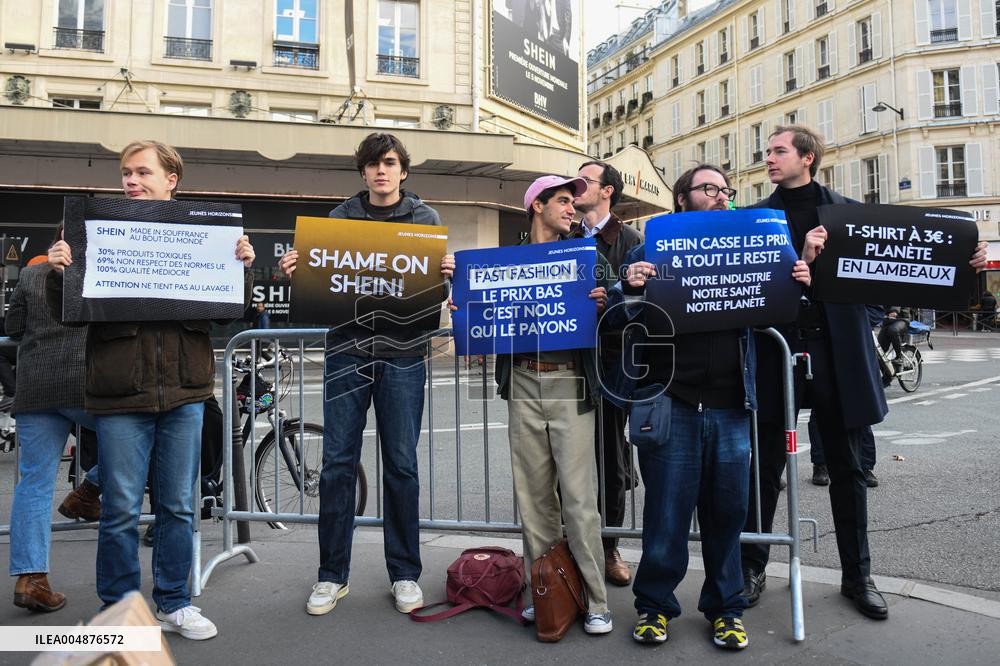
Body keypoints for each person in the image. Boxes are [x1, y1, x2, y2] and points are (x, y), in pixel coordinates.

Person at [741, 125, 987, 620]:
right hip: (776, 351)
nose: (768, 158)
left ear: (807, 157)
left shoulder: (852, 216)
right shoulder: (753, 219)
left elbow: (901, 272)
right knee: (763, 468)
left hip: (837, 353)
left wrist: (969, 266)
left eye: (779, 150)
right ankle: (752, 568)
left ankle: (858, 576)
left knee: (849, 469)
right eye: (767, 151)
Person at [47, 140, 255, 640]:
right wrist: (59, 275)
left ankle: (174, 603)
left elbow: (230, 311)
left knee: (179, 506)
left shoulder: (205, 232)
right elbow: (66, 313)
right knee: (119, 507)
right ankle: (119, 611)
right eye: (126, 173)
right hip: (121, 393)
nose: (131, 181)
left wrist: (241, 270)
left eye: (142, 172)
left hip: (185, 392)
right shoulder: (94, 233)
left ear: (171, 180)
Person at [605, 165, 810, 649]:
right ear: (682, 200)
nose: (722, 196)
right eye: (709, 189)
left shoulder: (753, 246)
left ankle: (726, 608)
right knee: (666, 518)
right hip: (672, 402)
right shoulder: (649, 249)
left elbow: (784, 307)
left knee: (727, 517)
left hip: (732, 406)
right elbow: (617, 315)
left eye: (726, 190)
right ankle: (654, 607)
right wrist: (631, 286)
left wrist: (798, 277)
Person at [279, 133, 454, 616]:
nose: (381, 171)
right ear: (363, 173)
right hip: (348, 351)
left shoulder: (426, 220)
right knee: (337, 464)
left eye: (390, 163)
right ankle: (331, 576)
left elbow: (431, 299)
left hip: (402, 353)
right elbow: (324, 285)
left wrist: (446, 276)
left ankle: (404, 573)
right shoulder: (338, 220)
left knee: (401, 464)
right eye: (373, 164)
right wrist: (297, 271)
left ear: (403, 171)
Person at [479, 175, 613, 635]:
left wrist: (605, 301)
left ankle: (596, 599)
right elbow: (483, 317)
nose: (571, 208)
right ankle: (546, 588)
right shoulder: (506, 261)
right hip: (521, 382)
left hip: (571, 384)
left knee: (578, 501)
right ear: (536, 206)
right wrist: (466, 312)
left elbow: (616, 309)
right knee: (534, 500)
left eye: (573, 201)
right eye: (562, 200)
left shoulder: (588, 257)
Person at [7, 230, 100, 612]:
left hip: (35, 388)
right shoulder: (103, 273)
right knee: (141, 440)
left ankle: (32, 579)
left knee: (34, 482)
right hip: (86, 386)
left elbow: (13, 328)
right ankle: (88, 491)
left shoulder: (31, 274)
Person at [570, 160, 642, 586]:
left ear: (607, 191)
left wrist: (610, 304)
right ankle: (572, 545)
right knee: (568, 461)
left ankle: (609, 546)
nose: (576, 188)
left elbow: (645, 305)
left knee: (610, 458)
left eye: (585, 182)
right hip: (570, 363)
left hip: (612, 367)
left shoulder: (631, 239)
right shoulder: (567, 234)